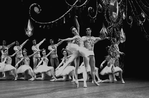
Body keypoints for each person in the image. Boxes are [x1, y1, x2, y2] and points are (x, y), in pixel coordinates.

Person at [60, 16, 98, 88]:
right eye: (73, 31)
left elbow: (78, 25)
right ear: (72, 32)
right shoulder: (74, 38)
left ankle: (85, 82)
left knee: (85, 67)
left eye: (75, 30)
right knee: (76, 67)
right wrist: (63, 40)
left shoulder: (79, 35)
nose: (75, 31)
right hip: (77, 52)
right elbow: (70, 40)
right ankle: (76, 80)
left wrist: (75, 19)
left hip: (82, 51)